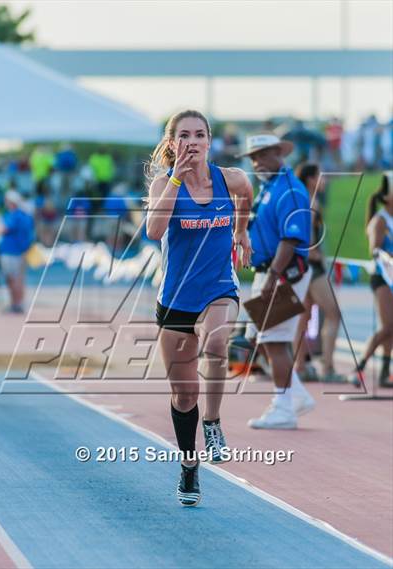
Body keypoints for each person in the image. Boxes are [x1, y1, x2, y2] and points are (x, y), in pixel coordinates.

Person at [146, 110, 252, 506]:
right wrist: (175, 178)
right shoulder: (164, 183)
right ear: (172, 143)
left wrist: (241, 231)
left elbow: (247, 195)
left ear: (210, 141)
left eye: (200, 134)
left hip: (218, 288)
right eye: (184, 135)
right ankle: (189, 467)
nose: (193, 141)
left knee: (218, 341)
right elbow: (154, 231)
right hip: (175, 301)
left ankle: (213, 423)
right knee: (183, 394)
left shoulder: (231, 179)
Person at [241, 134, 315, 429]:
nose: (256, 161)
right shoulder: (269, 187)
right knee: (254, 336)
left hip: (283, 272)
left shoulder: (289, 190)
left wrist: (273, 274)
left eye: (261, 154)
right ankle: (295, 394)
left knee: (274, 341)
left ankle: (283, 407)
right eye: (252, 157)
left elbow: (291, 236)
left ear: (277, 153)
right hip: (267, 272)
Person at [293, 163, 346, 383]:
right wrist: (319, 258)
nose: (324, 181)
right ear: (312, 179)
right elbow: (310, 246)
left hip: (300, 267)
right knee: (333, 314)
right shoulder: (312, 203)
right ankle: (328, 368)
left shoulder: (300, 201)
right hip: (312, 268)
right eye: (321, 177)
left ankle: (300, 367)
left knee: (303, 317)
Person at [350, 172, 393, 388]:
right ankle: (359, 367)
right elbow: (375, 250)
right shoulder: (380, 220)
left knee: (392, 328)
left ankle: (385, 372)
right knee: (387, 327)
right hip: (383, 278)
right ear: (386, 196)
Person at [0, 190, 34, 314]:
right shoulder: (24, 215)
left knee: (13, 279)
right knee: (17, 279)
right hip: (19, 251)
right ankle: (17, 303)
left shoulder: (14, 215)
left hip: (12, 251)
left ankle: (16, 304)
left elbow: (1, 230)